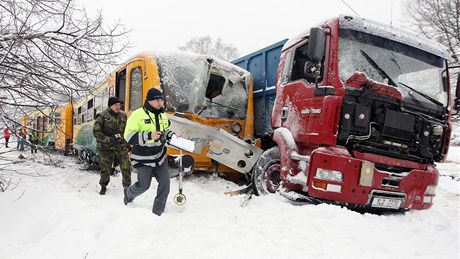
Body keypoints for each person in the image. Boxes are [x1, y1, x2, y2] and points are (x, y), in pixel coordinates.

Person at [123, 87, 175, 216]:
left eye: (161, 100)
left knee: (165, 184)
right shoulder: (137, 114)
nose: (159, 103)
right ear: (149, 101)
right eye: (156, 100)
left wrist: (172, 136)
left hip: (160, 156)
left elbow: (164, 131)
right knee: (143, 186)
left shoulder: (163, 115)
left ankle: (158, 211)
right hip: (143, 157)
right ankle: (128, 194)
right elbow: (128, 136)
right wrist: (148, 136)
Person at [93, 96, 131, 195]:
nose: (118, 107)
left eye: (119, 105)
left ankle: (127, 187)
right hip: (105, 147)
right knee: (106, 168)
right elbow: (96, 132)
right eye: (116, 105)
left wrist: (127, 144)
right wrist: (109, 139)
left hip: (120, 145)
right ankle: (103, 186)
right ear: (110, 106)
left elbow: (125, 132)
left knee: (126, 166)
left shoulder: (123, 115)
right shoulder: (101, 116)